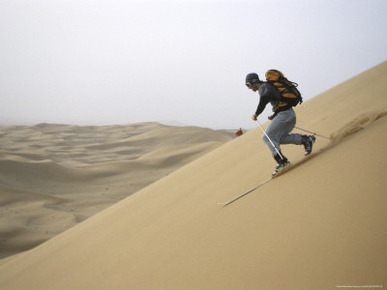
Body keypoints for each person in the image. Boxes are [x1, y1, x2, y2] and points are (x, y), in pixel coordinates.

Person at [245, 72, 315, 177]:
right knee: (278, 139)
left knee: (267, 137)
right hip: (287, 114)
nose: (249, 88)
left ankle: (282, 162)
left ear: (254, 82)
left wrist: (256, 114)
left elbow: (264, 98)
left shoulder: (264, 87)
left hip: (285, 115)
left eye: (248, 85)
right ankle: (306, 140)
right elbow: (279, 101)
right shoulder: (267, 87)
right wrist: (274, 115)